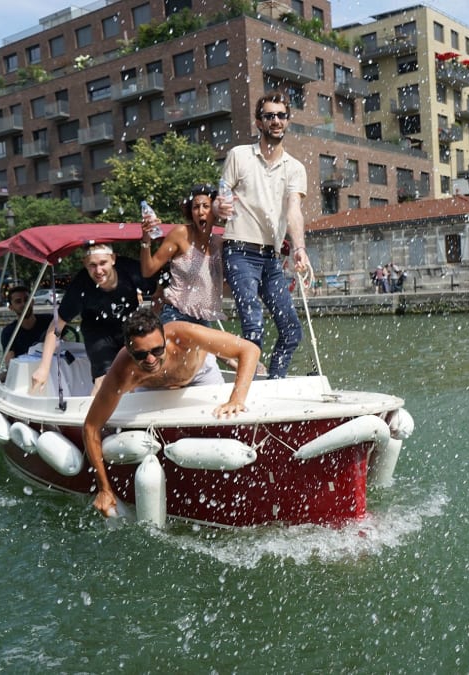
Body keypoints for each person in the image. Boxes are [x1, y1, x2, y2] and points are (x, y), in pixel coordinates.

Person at [82, 308, 260, 517]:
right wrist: (105, 489)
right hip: (152, 388)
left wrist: (236, 399)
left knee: (225, 420)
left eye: (157, 350)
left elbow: (249, 350)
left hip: (200, 376)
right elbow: (91, 426)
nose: (150, 359)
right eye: (141, 354)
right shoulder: (123, 369)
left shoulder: (184, 335)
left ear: (165, 339)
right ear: (129, 350)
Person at [216, 90, 308, 379]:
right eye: (269, 116)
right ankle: (247, 388)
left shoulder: (295, 168)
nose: (276, 121)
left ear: (288, 122)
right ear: (259, 122)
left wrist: (299, 249)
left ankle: (274, 382)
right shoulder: (238, 156)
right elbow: (221, 195)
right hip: (239, 251)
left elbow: (293, 210)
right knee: (253, 324)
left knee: (292, 330)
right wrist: (220, 205)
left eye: (281, 115)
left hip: (271, 259)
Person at [30, 243, 157, 395]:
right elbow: (56, 326)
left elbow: (161, 291)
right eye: (92, 265)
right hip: (97, 331)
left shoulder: (132, 270)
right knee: (104, 380)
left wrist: (154, 323)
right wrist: (43, 369)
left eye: (103, 263)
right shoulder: (80, 286)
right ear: (85, 264)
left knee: (139, 373)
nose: (98, 271)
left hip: (130, 326)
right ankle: (93, 416)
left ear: (113, 259)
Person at [139, 184, 225, 326]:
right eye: (196, 207)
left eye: (206, 206)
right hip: (176, 314)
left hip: (204, 319)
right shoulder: (180, 234)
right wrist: (146, 239)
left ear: (215, 211)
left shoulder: (220, 243)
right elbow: (148, 270)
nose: (200, 212)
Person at [0, 285, 52, 381]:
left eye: (27, 300)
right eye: (18, 301)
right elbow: (10, 364)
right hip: (24, 374)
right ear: (11, 307)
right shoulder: (9, 332)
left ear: (32, 302)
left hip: (52, 368)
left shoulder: (49, 321)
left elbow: (65, 344)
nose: (24, 304)